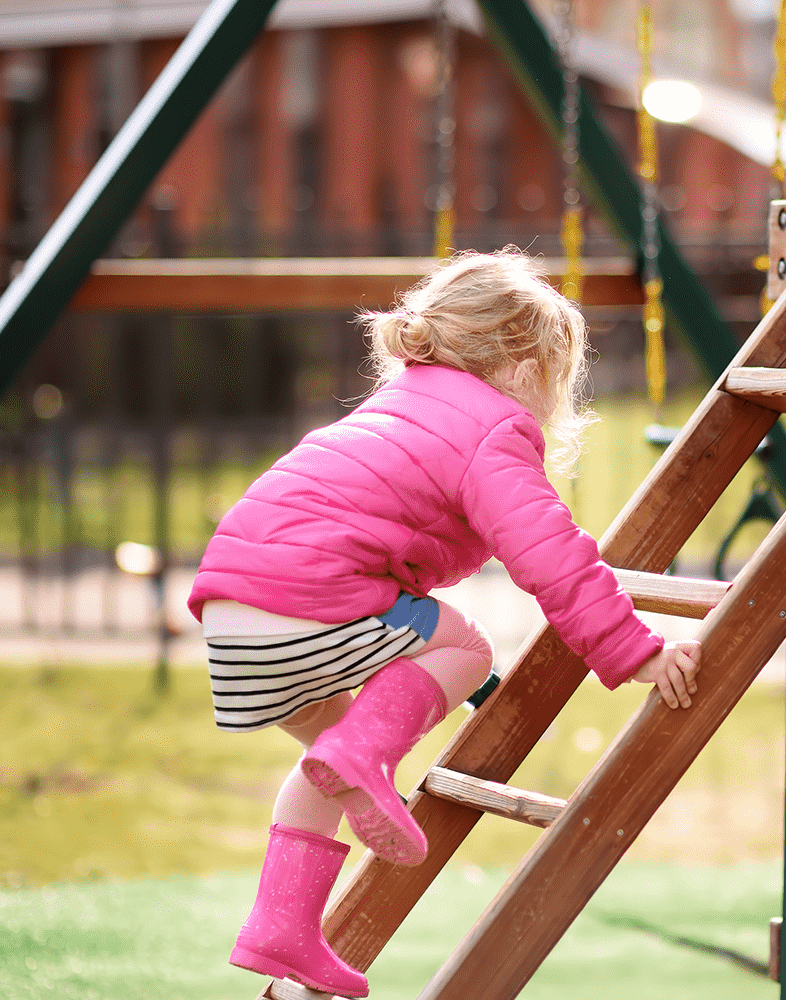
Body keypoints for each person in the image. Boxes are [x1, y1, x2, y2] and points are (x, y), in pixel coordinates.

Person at [187, 248, 702, 997]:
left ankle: (284, 933)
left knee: (324, 766)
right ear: (527, 365)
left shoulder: (400, 405)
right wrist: (636, 651)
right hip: (310, 602)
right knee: (464, 643)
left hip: (233, 623)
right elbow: (552, 558)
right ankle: (367, 752)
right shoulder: (492, 428)